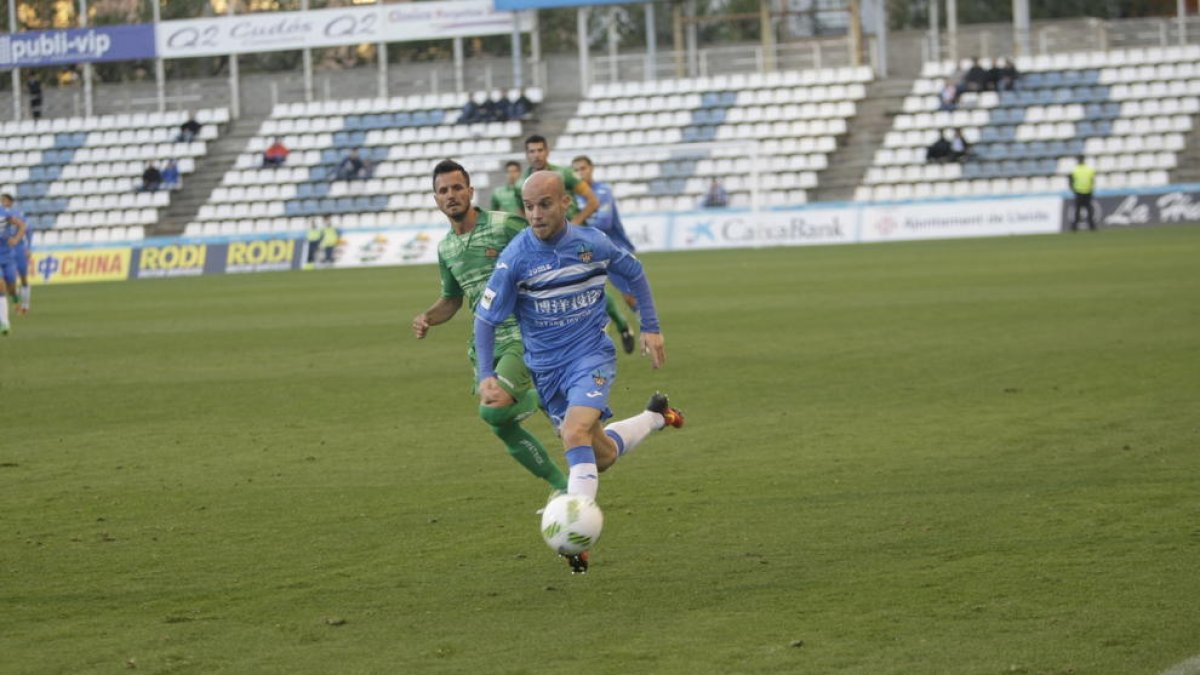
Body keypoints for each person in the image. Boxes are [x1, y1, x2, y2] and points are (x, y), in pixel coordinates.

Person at [474, 170, 685, 574]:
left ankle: (575, 534)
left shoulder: (591, 243)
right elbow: (485, 319)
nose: (536, 214)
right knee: (599, 455)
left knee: (574, 433)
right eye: (529, 206)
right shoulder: (516, 258)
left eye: (545, 204)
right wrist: (486, 372)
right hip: (547, 371)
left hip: (591, 356)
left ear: (565, 203)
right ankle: (656, 416)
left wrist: (652, 327)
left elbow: (634, 273)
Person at [412, 159, 569, 499]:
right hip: (483, 344)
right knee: (500, 424)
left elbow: (547, 245)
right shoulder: (446, 248)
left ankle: (543, 393)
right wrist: (428, 317)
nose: (451, 195)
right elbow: (452, 299)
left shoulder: (503, 225)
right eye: (443, 191)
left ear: (470, 191)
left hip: (521, 335)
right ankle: (562, 486)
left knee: (492, 410)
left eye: (457, 188)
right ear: (435, 199)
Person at [571, 155, 639, 354]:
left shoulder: (603, 191)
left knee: (629, 297)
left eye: (583, 168)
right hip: (588, 251)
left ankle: (647, 328)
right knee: (588, 287)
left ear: (591, 169)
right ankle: (606, 322)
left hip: (614, 248)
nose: (580, 173)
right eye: (576, 170)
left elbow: (605, 222)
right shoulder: (572, 196)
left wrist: (577, 225)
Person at [522, 135, 599, 226]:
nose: (536, 155)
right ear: (526, 155)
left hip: (574, 234)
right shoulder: (522, 182)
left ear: (547, 152)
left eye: (540, 150)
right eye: (532, 151)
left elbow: (593, 201)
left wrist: (575, 223)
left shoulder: (564, 174)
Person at [0, 196, 28, 335]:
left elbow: (22, 226)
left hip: (7, 256)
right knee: (1, 287)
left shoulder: (5, 214)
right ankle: (5, 323)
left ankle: (16, 299)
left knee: (11, 286)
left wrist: (16, 239)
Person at [1069, 155, 1097, 232]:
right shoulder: (1089, 169)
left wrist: (1073, 189)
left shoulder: (1075, 169)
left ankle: (1074, 227)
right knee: (1088, 209)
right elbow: (1092, 180)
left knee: (1078, 210)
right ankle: (1092, 227)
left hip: (1079, 192)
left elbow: (1071, 180)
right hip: (1087, 191)